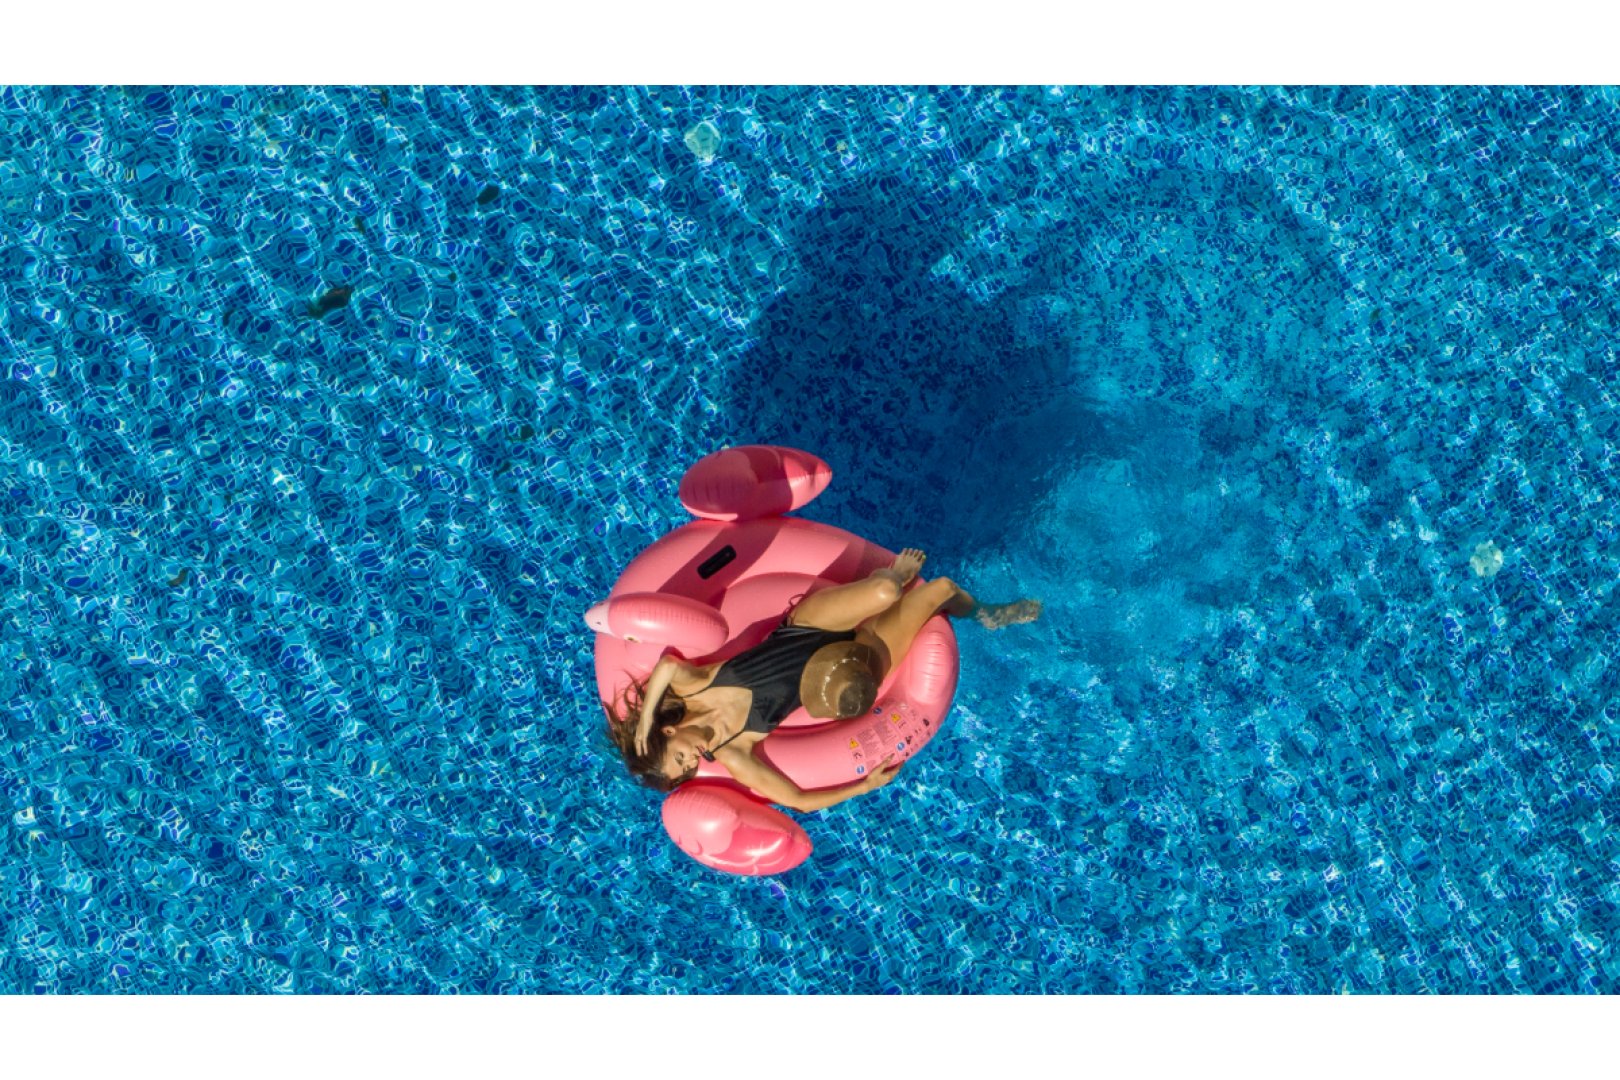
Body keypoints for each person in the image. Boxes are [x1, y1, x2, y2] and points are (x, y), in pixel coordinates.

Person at [603, 549, 1040, 810]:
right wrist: (862, 785)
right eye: (688, 768)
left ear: (669, 731)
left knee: (887, 590)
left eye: (680, 757)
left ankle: (899, 582)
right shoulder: (734, 752)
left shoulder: (693, 689)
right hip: (847, 665)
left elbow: (667, 666)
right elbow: (796, 800)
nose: (694, 761)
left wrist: (645, 720)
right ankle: (988, 616)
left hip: (807, 627)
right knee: (941, 588)